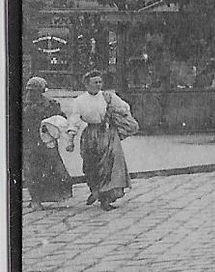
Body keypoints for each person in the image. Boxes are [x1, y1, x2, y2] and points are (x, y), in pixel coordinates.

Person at [67, 70, 138, 210]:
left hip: (107, 133)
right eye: (95, 82)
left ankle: (106, 198)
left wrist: (118, 113)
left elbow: (125, 107)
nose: (99, 85)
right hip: (90, 135)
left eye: (100, 82)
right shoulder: (79, 101)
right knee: (91, 165)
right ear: (87, 85)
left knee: (110, 165)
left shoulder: (107, 97)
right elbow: (74, 120)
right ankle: (95, 191)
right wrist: (70, 140)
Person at [23, 77, 73, 207]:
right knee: (32, 171)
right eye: (29, 90)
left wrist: (51, 125)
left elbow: (61, 119)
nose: (31, 93)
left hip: (45, 141)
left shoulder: (50, 104)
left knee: (49, 169)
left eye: (34, 90)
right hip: (30, 142)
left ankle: (42, 198)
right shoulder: (23, 104)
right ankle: (35, 199)